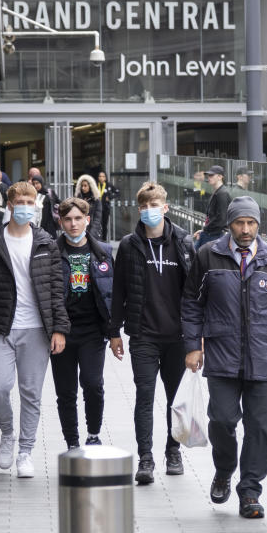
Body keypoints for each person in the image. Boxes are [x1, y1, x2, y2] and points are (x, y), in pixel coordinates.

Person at [182, 196, 267, 519]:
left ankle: (250, 490)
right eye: (240, 223)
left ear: (258, 225)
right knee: (222, 421)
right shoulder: (209, 256)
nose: (246, 229)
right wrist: (193, 345)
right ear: (230, 224)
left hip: (263, 358)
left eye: (251, 223)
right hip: (222, 356)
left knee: (261, 429)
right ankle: (224, 469)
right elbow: (192, 303)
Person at [0, 181, 69, 478]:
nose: (25, 205)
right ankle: (7, 432)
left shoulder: (47, 242)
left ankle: (25, 450)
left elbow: (55, 291)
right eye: (19, 201)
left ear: (36, 204)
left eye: (30, 201)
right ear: (9, 205)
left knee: (31, 393)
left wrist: (59, 329)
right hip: (0, 326)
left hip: (37, 329)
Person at [109, 181, 195, 484]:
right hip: (143, 335)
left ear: (166, 208)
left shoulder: (184, 243)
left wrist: (197, 339)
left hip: (178, 338)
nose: (149, 211)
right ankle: (145, 458)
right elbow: (118, 290)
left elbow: (196, 292)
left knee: (175, 399)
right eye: (144, 207)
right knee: (144, 397)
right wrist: (114, 332)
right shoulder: (130, 245)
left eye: (154, 205)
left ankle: (173, 451)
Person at [51, 198, 113, 449]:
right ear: (61, 222)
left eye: (78, 218)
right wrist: (56, 328)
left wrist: (113, 330)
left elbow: (112, 292)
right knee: (66, 392)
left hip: (92, 332)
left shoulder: (103, 251)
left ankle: (94, 433)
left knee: (93, 384)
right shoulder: (52, 252)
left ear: (87, 219)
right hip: (62, 332)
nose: (73, 224)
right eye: (68, 219)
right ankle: (72, 442)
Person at [193, 165, 230, 250]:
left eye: (211, 175)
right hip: (210, 233)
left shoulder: (222, 193)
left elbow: (221, 219)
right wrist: (204, 230)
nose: (209, 177)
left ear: (220, 177)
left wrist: (205, 230)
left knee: (196, 256)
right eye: (208, 175)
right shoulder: (218, 192)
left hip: (213, 235)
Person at [74, 174, 103, 240]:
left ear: (90, 186)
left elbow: (97, 219)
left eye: (85, 186)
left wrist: (92, 233)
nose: (83, 188)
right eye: (82, 186)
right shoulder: (78, 199)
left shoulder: (96, 200)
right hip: (80, 230)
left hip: (93, 231)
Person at [96, 171, 119, 240]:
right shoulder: (96, 185)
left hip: (105, 208)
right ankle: (97, 238)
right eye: (100, 176)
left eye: (103, 176)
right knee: (97, 224)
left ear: (105, 178)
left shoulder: (109, 185)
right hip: (97, 208)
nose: (101, 178)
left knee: (104, 224)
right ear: (98, 177)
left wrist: (109, 197)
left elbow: (117, 192)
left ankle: (104, 239)